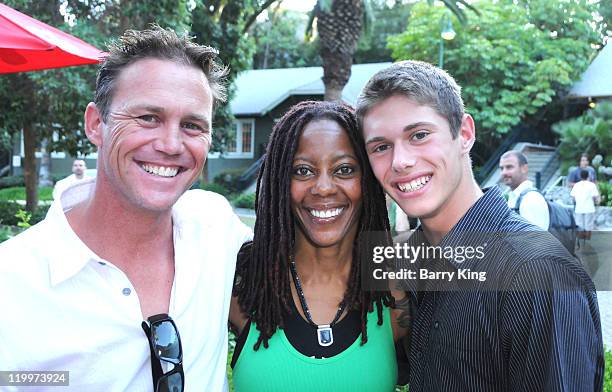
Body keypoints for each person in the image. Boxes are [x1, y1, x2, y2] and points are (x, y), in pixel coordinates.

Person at [0, 27, 251, 391]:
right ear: (96, 124)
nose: (170, 144)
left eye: (193, 125)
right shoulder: (13, 282)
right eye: (148, 117)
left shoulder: (214, 227)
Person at [356, 60, 603, 391]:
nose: (400, 161)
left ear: (465, 134)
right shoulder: (410, 263)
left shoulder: (537, 272)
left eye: (419, 135)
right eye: (381, 147)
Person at [229, 101, 408, 392]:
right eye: (302, 171)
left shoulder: (396, 291)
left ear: (369, 181)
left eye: (345, 169)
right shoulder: (241, 289)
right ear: (279, 181)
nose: (323, 187)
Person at [499, 150, 549, 230]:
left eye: (509, 167)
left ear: (524, 169)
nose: (504, 172)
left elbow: (536, 239)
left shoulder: (531, 198)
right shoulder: (514, 196)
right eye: (502, 168)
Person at [571, 169, 601, 241]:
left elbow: (573, 197)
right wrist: (597, 201)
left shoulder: (576, 185)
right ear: (588, 176)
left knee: (580, 226)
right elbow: (595, 197)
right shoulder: (592, 185)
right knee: (589, 227)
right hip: (589, 208)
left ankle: (581, 244)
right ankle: (587, 243)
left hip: (579, 208)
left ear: (580, 176)